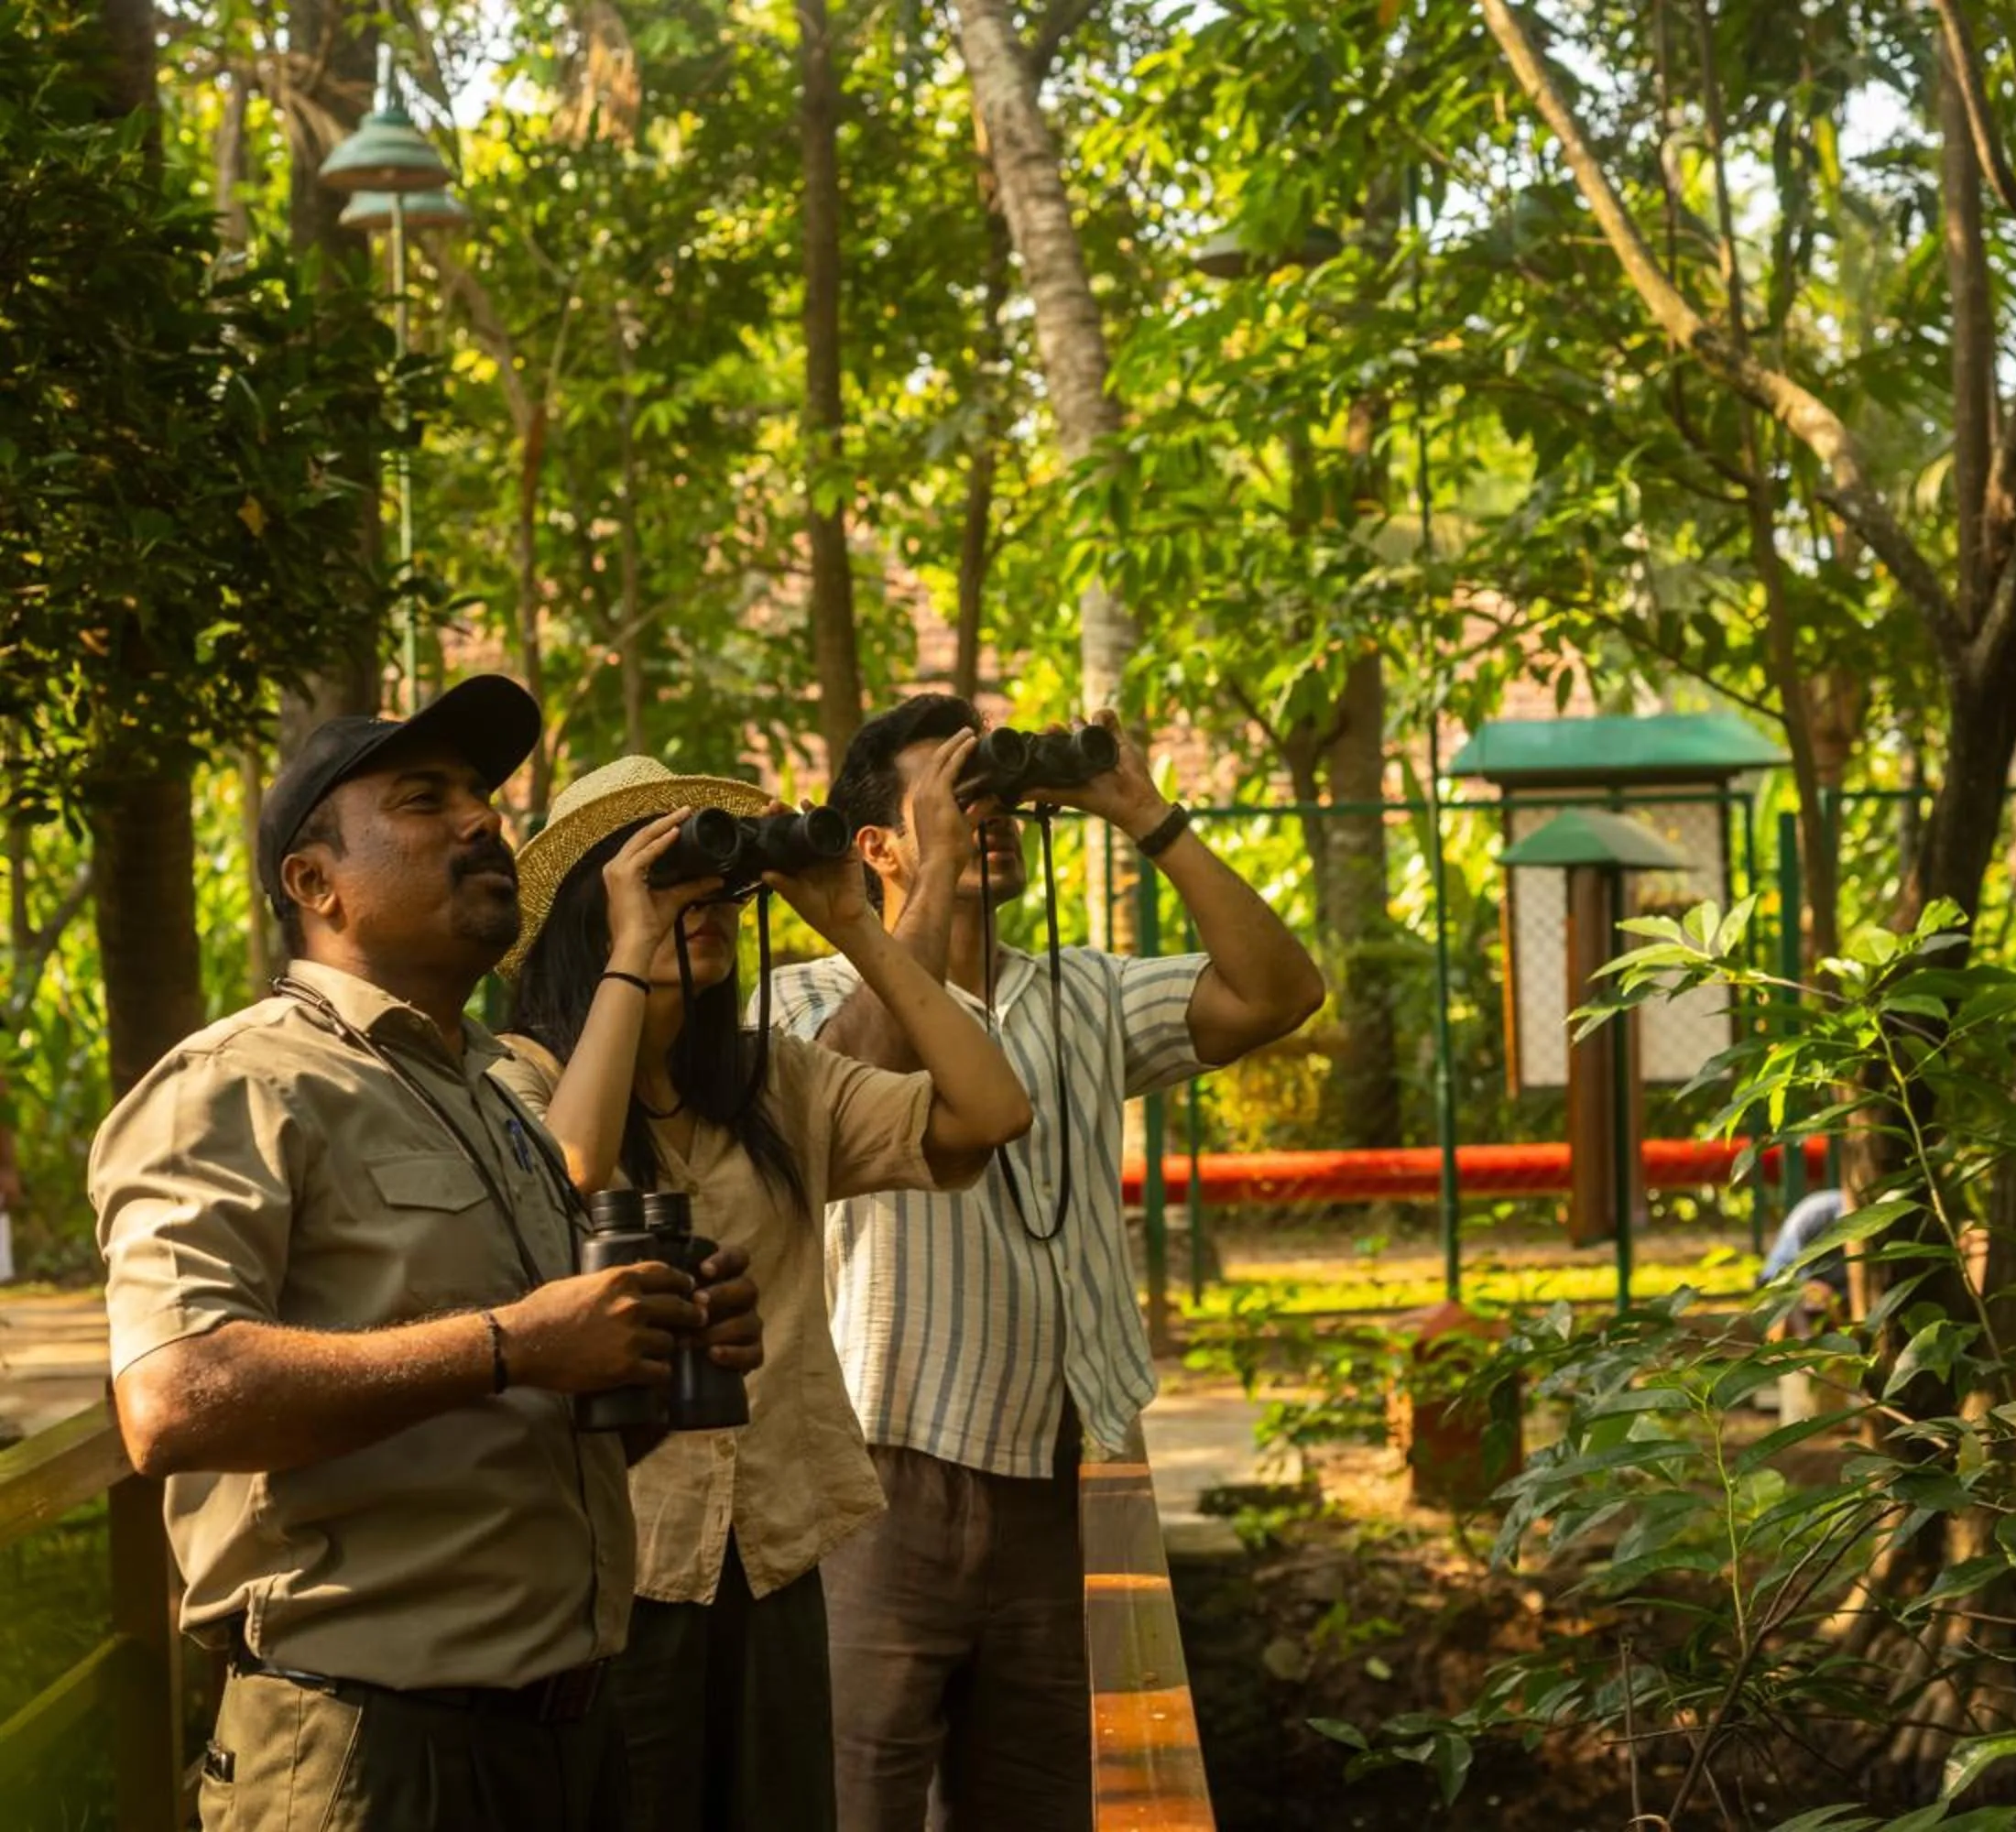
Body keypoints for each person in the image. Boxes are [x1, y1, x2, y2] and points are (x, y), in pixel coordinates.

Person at [92, 677, 765, 1832]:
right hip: (365, 1754)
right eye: (423, 800)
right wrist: (513, 1343)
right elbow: (171, 1399)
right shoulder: (236, 1083)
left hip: (569, 1737)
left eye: (478, 795)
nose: (481, 820)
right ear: (316, 883)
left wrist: (646, 1354)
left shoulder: (496, 1096)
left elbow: (528, 1419)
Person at [762, 695, 1324, 1829]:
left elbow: (1281, 993)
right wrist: (932, 882)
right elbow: (862, 1073)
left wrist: (1145, 813)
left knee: (1041, 1803)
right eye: (951, 800)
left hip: (1061, 1477)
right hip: (878, 1477)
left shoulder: (1083, 990)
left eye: (998, 797)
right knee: (855, 1802)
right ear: (875, 846)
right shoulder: (802, 998)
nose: (991, 817)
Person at [490, 753, 1032, 1832]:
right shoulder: (519, 1077)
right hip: (617, 1564)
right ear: (589, 912)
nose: (700, 903)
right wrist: (633, 948)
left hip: (773, 1550)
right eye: (660, 879)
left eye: (713, 884)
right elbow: (570, 1172)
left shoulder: (772, 1078)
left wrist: (856, 925)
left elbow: (992, 1111)